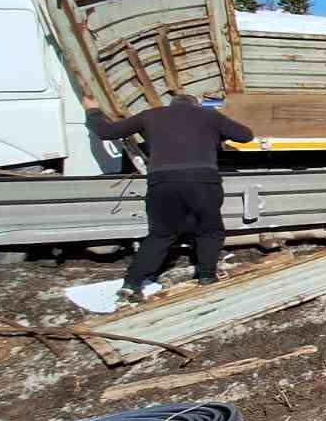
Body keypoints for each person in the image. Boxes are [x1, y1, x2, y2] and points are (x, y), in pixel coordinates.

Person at [81, 92, 254, 299]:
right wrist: (217, 132)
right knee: (210, 231)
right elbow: (246, 135)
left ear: (171, 104)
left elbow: (106, 131)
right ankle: (207, 277)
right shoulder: (209, 116)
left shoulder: (150, 115)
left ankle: (132, 283)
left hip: (162, 182)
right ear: (196, 104)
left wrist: (92, 109)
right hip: (203, 181)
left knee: (161, 234)